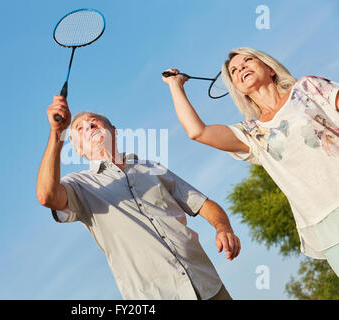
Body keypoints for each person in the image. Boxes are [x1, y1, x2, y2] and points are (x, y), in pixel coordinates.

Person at [36, 95, 241, 300]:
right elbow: (47, 196)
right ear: (78, 149)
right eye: (78, 129)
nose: (88, 125)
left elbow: (203, 203)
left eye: (93, 120)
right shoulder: (79, 185)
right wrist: (57, 133)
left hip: (208, 285)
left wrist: (223, 228)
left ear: (113, 131)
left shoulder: (151, 167)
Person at [162, 47, 339, 276]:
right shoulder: (252, 133)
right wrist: (175, 87)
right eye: (234, 70)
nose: (241, 68)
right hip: (326, 223)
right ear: (237, 88)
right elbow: (198, 131)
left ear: (269, 68)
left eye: (248, 60)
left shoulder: (307, 88)